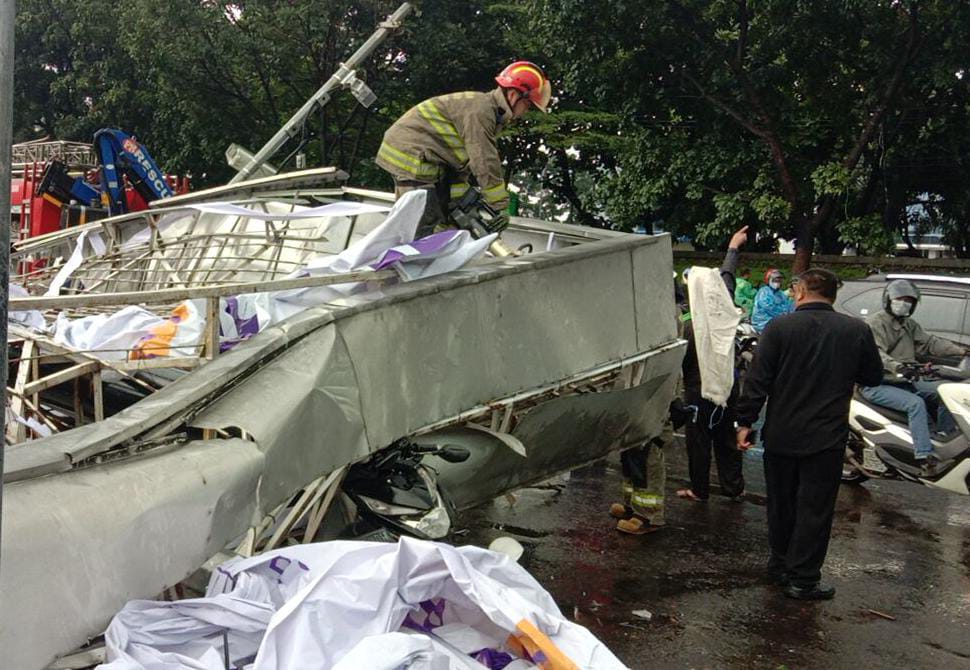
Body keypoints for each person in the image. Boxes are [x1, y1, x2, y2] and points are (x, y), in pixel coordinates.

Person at [736, 268, 883, 600]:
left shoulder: (778, 328)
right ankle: (803, 579)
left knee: (782, 504)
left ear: (800, 292)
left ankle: (779, 566)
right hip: (826, 437)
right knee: (814, 509)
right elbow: (873, 376)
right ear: (833, 295)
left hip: (782, 434)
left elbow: (758, 381)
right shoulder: (856, 330)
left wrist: (744, 423)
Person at [376, 61, 551, 236]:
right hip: (411, 156)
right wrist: (500, 206)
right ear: (513, 95)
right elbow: (483, 160)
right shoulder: (481, 111)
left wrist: (463, 201)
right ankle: (397, 259)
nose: (526, 112)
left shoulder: (489, 111)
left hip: (429, 159)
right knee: (422, 220)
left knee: (450, 211)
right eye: (527, 105)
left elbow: (461, 161)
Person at [860, 279, 968, 475]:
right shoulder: (876, 323)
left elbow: (929, 343)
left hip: (904, 381)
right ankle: (924, 458)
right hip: (878, 383)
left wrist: (961, 351)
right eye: (900, 299)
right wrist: (899, 367)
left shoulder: (908, 325)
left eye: (909, 300)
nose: (904, 303)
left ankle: (943, 437)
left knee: (944, 393)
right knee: (915, 404)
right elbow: (877, 354)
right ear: (889, 300)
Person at [675, 226, 749, 503]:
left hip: (699, 392)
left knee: (699, 442)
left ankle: (699, 489)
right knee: (726, 440)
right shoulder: (724, 312)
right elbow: (726, 280)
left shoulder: (689, 326)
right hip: (728, 389)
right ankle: (734, 487)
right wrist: (733, 248)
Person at [751, 268, 794, 333]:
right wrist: (782, 314)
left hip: (777, 321)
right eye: (775, 280)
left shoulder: (781, 294)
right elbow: (767, 307)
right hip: (762, 322)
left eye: (779, 281)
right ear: (768, 280)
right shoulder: (764, 292)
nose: (777, 283)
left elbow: (787, 306)